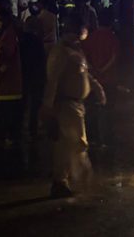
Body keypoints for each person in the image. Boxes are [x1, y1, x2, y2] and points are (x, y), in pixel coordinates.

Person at [43, 14, 105, 198]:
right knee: (74, 144)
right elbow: (52, 81)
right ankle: (67, 181)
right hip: (66, 105)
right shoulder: (61, 52)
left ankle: (67, 180)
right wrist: (47, 107)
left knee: (70, 144)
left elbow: (85, 74)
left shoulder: (76, 51)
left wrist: (97, 88)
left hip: (76, 105)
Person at [81, 9, 118, 148]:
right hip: (109, 80)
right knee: (108, 110)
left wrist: (94, 69)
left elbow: (84, 56)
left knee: (92, 110)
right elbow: (114, 58)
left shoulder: (91, 37)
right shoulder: (112, 37)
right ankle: (108, 139)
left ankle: (93, 138)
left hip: (93, 79)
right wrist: (104, 69)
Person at [0, 10, 23, 146]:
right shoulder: (8, 35)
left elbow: (4, 55)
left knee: (6, 113)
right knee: (8, 112)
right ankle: (9, 136)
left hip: (7, 84)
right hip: (9, 83)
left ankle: (5, 137)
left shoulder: (7, 37)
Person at [21, 3, 48, 141]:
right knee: (34, 104)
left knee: (24, 102)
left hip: (24, 75)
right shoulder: (37, 42)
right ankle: (33, 130)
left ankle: (20, 128)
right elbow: (41, 60)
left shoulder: (21, 40)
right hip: (36, 76)